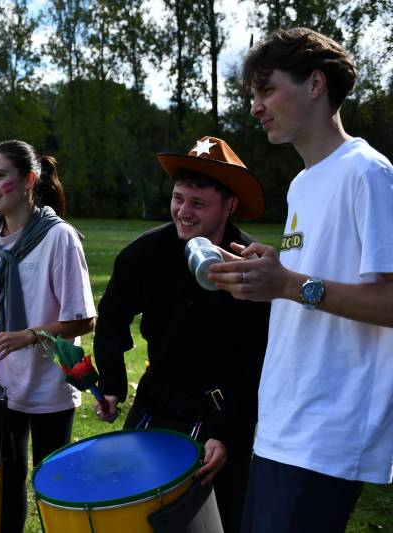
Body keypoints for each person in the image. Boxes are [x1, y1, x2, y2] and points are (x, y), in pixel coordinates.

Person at [207, 28, 393, 533]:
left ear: (315, 84)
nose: (255, 107)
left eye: (266, 90)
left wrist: (289, 285)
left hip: (328, 434)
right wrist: (267, 270)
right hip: (281, 423)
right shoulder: (303, 182)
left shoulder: (367, 173)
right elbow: (308, 275)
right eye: (253, 94)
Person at [93, 136, 271, 533]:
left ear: (229, 205)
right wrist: (112, 382)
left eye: (198, 203)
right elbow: (111, 317)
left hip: (222, 414)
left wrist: (228, 435)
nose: (183, 212)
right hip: (158, 401)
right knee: (134, 512)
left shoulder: (252, 267)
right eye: (178, 199)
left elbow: (254, 360)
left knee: (216, 520)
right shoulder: (144, 255)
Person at [0, 140, 96, 533]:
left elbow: (82, 320)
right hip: (4, 382)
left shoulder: (60, 238)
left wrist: (27, 335)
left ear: (28, 180)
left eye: (0, 176)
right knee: (6, 480)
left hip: (52, 380)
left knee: (52, 484)